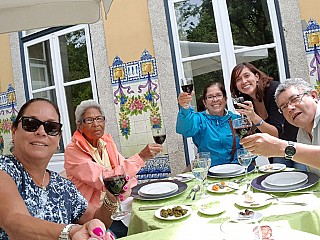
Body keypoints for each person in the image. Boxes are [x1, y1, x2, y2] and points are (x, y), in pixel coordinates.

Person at [0, 98, 120, 240]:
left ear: (58, 140)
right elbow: (14, 222)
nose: (41, 132)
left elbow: (96, 218)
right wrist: (71, 231)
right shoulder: (5, 169)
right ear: (14, 132)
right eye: (31, 124)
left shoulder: (62, 186)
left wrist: (111, 198)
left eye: (51, 127)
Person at [64, 100, 163, 238]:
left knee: (155, 213)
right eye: (90, 120)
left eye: (99, 119)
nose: (96, 124)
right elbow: (105, 179)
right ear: (79, 126)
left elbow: (127, 175)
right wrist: (140, 157)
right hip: (93, 214)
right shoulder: (73, 151)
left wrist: (126, 185)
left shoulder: (106, 143)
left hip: (117, 204)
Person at [230, 62, 307, 170]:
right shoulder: (247, 102)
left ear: (256, 76)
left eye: (247, 76)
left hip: (297, 145)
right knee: (280, 181)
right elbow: (254, 131)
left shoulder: (274, 91)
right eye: (238, 80)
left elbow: (275, 133)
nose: (243, 81)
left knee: (303, 179)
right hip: (277, 149)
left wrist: (253, 116)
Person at [240, 78, 320, 176]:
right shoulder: (302, 133)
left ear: (313, 96)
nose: (290, 108)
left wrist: (282, 148)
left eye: (295, 99)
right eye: (284, 107)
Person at [176, 82, 241, 166]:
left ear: (225, 99)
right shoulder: (199, 119)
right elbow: (185, 130)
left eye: (218, 95)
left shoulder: (236, 119)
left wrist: (235, 165)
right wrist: (185, 107)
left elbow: (248, 146)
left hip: (236, 170)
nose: (215, 99)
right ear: (204, 102)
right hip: (208, 173)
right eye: (210, 97)